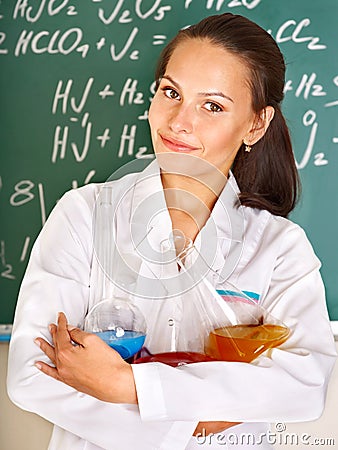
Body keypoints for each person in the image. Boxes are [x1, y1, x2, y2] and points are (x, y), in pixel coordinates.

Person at [7, 12, 336, 450]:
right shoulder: (84, 215)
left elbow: (304, 385)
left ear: (256, 124)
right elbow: (33, 373)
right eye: (171, 92)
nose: (179, 121)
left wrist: (129, 384)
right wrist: (188, 424)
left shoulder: (279, 248)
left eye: (212, 105)